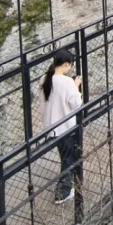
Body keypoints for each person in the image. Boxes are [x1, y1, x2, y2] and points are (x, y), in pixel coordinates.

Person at [40, 48, 83, 204]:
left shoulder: (46, 78)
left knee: (65, 157)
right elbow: (76, 104)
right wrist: (76, 86)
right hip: (65, 126)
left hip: (51, 126)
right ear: (66, 64)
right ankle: (63, 193)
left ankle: (67, 187)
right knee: (69, 159)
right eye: (70, 65)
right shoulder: (66, 82)